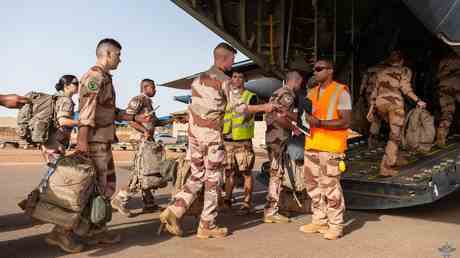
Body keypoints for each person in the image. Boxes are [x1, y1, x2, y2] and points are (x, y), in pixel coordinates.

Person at [159, 42, 247, 239]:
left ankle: (173, 211)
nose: (234, 63)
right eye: (232, 59)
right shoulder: (225, 80)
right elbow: (240, 109)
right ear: (223, 59)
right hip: (211, 138)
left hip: (195, 136)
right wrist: (265, 108)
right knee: (213, 180)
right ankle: (207, 224)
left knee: (197, 176)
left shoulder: (197, 80)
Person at [77, 38, 151, 245]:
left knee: (100, 188)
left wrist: (134, 118)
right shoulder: (95, 76)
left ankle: (94, 229)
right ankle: (81, 231)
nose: (121, 59)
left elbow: (110, 110)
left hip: (102, 140)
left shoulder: (104, 78)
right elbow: (87, 111)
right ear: (108, 54)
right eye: (118, 54)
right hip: (95, 142)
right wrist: (82, 141)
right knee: (100, 188)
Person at [299, 59, 351, 240]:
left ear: (330, 71)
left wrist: (319, 123)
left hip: (331, 147)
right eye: (314, 69)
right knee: (312, 185)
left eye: (319, 69)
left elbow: (345, 121)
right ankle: (319, 220)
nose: (315, 72)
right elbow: (307, 119)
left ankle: (335, 225)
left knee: (330, 187)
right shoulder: (312, 92)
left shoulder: (341, 92)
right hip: (312, 144)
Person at [112, 78, 169, 216]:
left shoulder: (148, 102)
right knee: (140, 172)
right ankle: (120, 199)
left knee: (146, 171)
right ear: (146, 87)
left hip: (147, 140)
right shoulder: (138, 100)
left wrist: (171, 120)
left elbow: (153, 122)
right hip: (140, 140)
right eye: (153, 87)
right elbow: (129, 119)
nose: (155, 90)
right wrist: (144, 131)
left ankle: (149, 204)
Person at [222, 71, 275, 215]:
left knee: (246, 173)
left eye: (240, 77)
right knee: (229, 173)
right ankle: (226, 200)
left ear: (244, 80)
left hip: (243, 142)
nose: (237, 79)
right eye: (234, 77)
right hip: (227, 141)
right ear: (231, 79)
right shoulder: (226, 97)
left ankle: (246, 203)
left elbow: (251, 111)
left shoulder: (250, 97)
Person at [367, 51, 426, 176]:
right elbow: (406, 90)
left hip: (380, 104)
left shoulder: (381, 72)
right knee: (395, 135)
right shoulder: (402, 72)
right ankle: (386, 166)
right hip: (394, 104)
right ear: (401, 61)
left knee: (393, 133)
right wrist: (418, 101)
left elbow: (374, 92)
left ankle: (395, 157)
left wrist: (371, 110)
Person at [41, 75, 82, 253]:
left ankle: (56, 230)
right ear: (66, 85)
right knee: (66, 187)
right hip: (55, 147)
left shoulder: (57, 97)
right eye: (75, 83)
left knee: (55, 182)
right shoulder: (65, 100)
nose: (78, 86)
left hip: (50, 146)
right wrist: (82, 122)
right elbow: (63, 121)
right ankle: (59, 232)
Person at [263, 70, 303, 224]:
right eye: (300, 82)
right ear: (296, 81)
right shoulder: (287, 94)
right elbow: (280, 116)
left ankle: (274, 208)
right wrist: (294, 128)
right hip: (278, 138)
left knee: (276, 172)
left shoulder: (276, 93)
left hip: (272, 137)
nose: (300, 86)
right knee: (276, 173)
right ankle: (271, 211)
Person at [435, 52, 460, 147]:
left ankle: (441, 137)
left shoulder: (444, 59)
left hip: (444, 86)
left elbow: (438, 75)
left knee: (447, 112)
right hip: (458, 85)